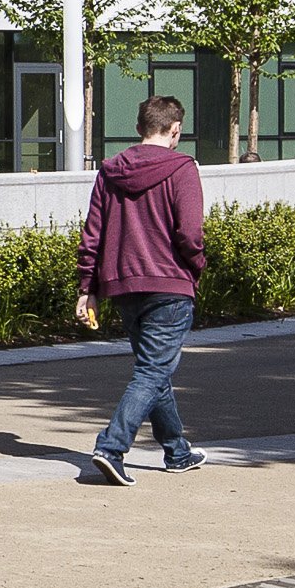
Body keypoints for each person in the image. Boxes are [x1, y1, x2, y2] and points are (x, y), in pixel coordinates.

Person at [75, 93, 210, 482]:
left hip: (124, 285)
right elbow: (190, 232)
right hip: (169, 283)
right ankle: (111, 447)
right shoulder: (183, 168)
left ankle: (177, 451)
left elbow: (93, 234)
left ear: (138, 129)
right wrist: (197, 266)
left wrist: (89, 286)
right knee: (152, 372)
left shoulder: (110, 171)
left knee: (154, 371)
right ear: (175, 130)